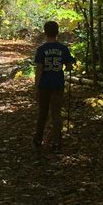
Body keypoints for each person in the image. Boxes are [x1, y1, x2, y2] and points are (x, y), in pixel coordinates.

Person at [33, 21, 74, 153]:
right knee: (56, 114)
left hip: (44, 85)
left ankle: (38, 139)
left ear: (45, 32)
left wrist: (36, 87)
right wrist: (69, 64)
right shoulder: (63, 49)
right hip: (58, 84)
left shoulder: (41, 50)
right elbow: (69, 67)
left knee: (42, 113)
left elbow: (38, 70)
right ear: (58, 32)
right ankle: (57, 143)